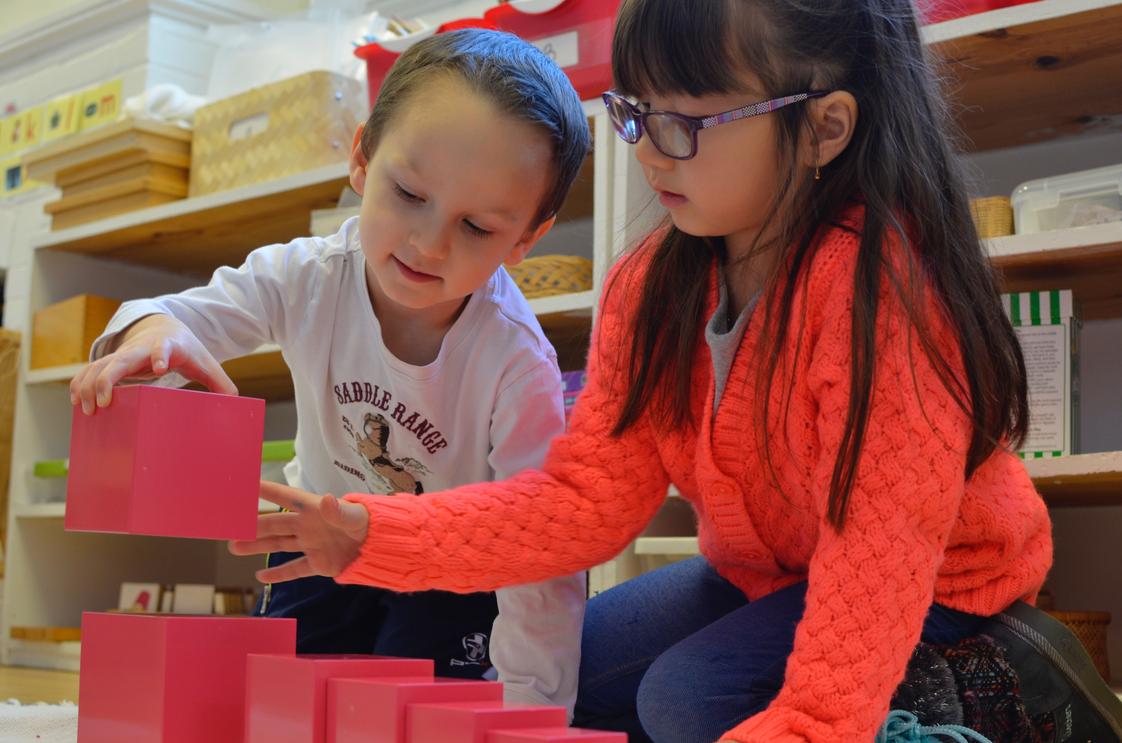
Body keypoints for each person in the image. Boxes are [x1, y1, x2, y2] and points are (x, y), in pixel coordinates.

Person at [228, 1, 1122, 741]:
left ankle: (1005, 683)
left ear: (823, 128)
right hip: (770, 571)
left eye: (687, 122)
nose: (649, 149)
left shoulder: (877, 295)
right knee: (567, 679)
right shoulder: (654, 283)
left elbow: (879, 549)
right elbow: (584, 503)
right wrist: (369, 534)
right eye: (635, 111)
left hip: (936, 576)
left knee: (687, 699)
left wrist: (813, 721)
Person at [69, 28, 591, 717]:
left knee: (413, 703)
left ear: (525, 238)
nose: (428, 243)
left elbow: (540, 552)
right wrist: (152, 332)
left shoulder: (515, 359)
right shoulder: (306, 274)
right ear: (362, 157)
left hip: (452, 571)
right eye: (408, 193)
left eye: (478, 228)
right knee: (282, 700)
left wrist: (531, 710)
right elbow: (185, 316)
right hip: (321, 550)